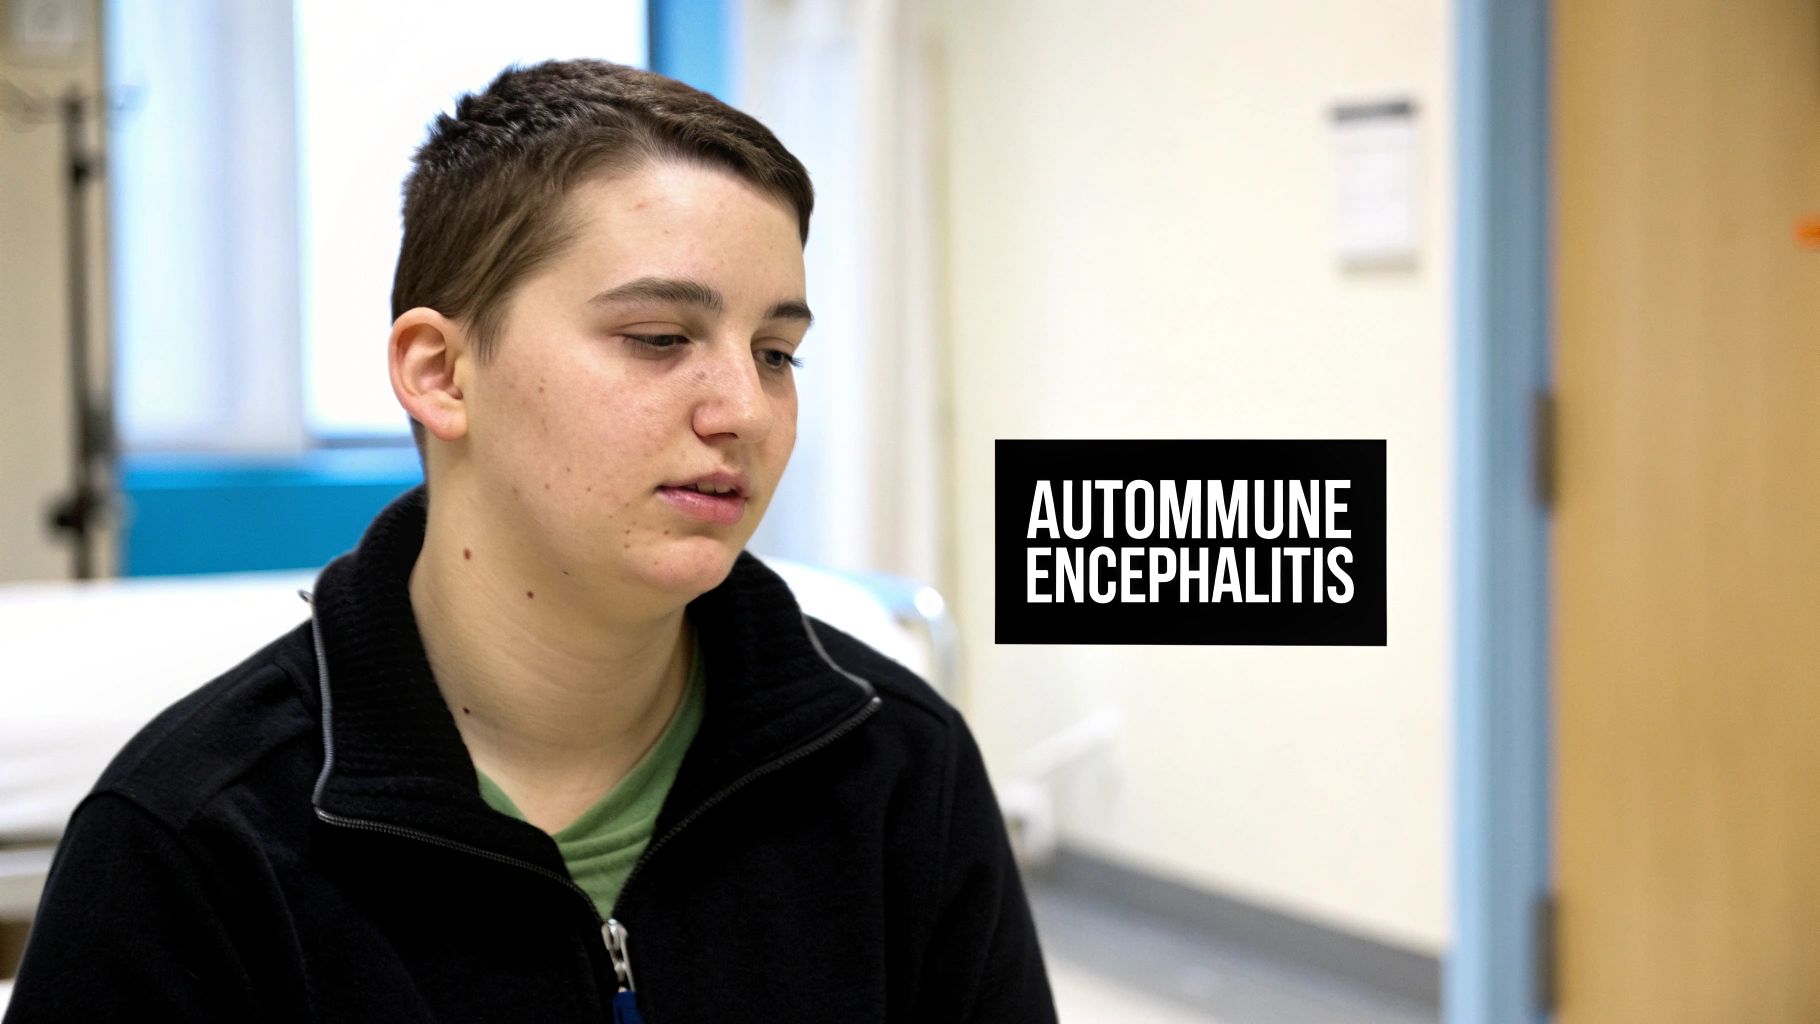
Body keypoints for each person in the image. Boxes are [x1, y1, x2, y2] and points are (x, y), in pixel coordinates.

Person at [3, 58, 1056, 1023]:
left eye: (776, 353)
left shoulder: (899, 768)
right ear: (440, 373)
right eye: (659, 338)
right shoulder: (190, 843)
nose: (744, 408)